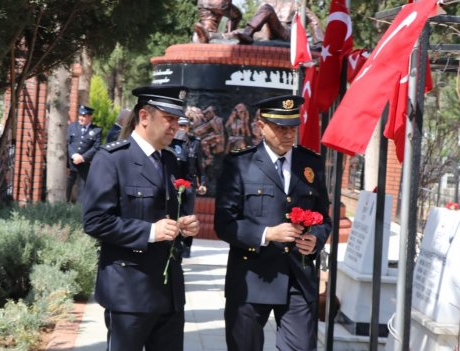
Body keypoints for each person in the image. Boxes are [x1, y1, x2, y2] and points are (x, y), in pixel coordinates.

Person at [81, 85, 200, 351]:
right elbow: (95, 220)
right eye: (168, 119)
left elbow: (166, 213)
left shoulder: (170, 160)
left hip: (169, 292)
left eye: (177, 120)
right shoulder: (112, 159)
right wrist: (150, 232)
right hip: (129, 291)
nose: (175, 127)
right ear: (144, 117)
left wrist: (183, 225)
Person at [214, 95, 332, 351]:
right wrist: (267, 233)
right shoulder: (240, 164)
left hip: (298, 278)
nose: (288, 134)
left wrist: (316, 240)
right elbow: (224, 222)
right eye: (280, 127)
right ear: (261, 126)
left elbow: (324, 217)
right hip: (252, 276)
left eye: (292, 127)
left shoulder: (310, 164)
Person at [169, 117, 207, 258]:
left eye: (185, 126)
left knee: (188, 216)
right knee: (175, 215)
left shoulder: (195, 143)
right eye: (180, 125)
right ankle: (175, 246)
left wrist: (202, 183)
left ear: (189, 127)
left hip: (189, 186)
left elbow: (200, 166)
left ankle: (186, 248)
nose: (182, 128)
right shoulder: (172, 142)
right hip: (175, 186)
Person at [66, 105, 102, 203]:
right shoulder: (72, 126)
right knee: (68, 185)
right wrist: (74, 155)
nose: (81, 118)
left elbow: (96, 147)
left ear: (90, 117)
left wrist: (82, 157)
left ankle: (79, 209)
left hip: (85, 165)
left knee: (83, 188)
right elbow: (68, 143)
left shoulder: (96, 130)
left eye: (84, 116)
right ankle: (64, 205)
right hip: (72, 163)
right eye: (80, 115)